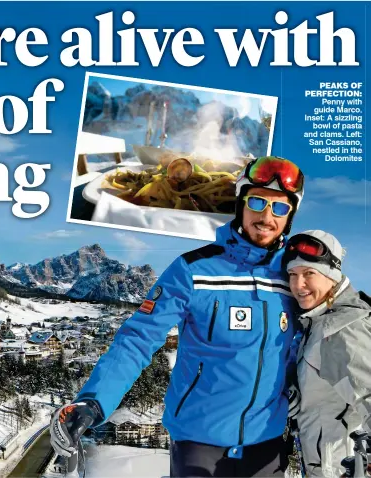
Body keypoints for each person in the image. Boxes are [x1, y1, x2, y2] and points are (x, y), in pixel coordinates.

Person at [50, 156, 306, 477]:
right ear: (240, 203)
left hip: (267, 443)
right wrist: (94, 402)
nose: (267, 216)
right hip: (199, 440)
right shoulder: (193, 269)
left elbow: (318, 339)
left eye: (280, 208)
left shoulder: (296, 276)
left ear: (290, 216)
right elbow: (138, 340)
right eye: (257, 202)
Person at [284, 231, 371, 477]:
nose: (298, 285)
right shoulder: (319, 322)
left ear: (332, 277)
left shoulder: (340, 331)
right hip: (323, 461)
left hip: (337, 468)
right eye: (292, 274)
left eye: (309, 274)